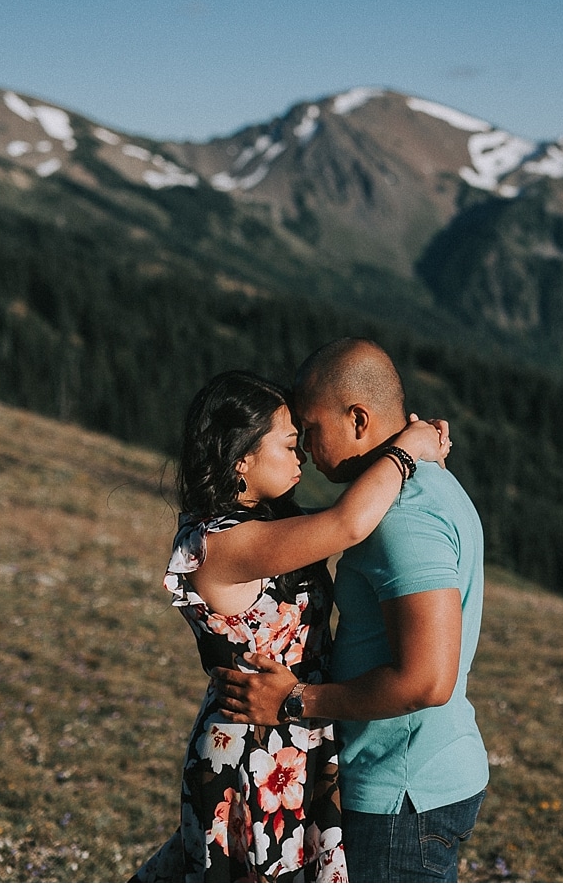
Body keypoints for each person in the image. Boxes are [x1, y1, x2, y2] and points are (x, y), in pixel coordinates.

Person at [134, 369, 450, 882]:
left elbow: (354, 512)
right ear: (241, 458)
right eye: (287, 443)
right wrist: (408, 449)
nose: (301, 454)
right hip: (255, 747)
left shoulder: (262, 524)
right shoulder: (223, 543)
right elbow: (348, 522)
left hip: (289, 736)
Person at [216, 338, 488, 882]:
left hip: (398, 792)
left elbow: (428, 680)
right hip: (415, 774)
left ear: (358, 418)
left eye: (311, 430)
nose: (306, 450)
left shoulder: (402, 515)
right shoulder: (412, 487)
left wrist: (294, 702)